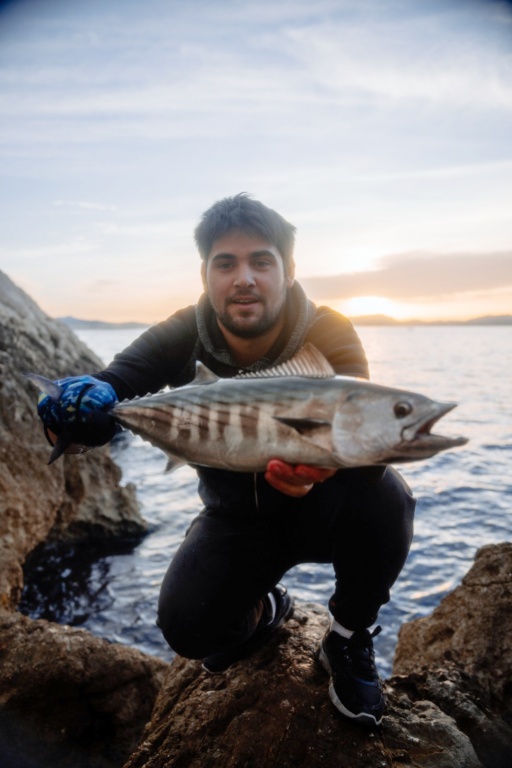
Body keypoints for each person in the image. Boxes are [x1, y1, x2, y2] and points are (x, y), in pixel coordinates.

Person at [36, 193, 415, 728]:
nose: (245, 278)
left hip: (323, 510)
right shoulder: (182, 331)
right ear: (205, 274)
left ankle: (348, 638)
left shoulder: (328, 331)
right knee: (191, 629)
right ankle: (266, 608)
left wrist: (322, 470)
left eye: (262, 261)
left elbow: (367, 443)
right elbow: (118, 381)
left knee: (387, 497)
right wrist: (74, 407)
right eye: (226, 263)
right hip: (237, 519)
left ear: (287, 271)